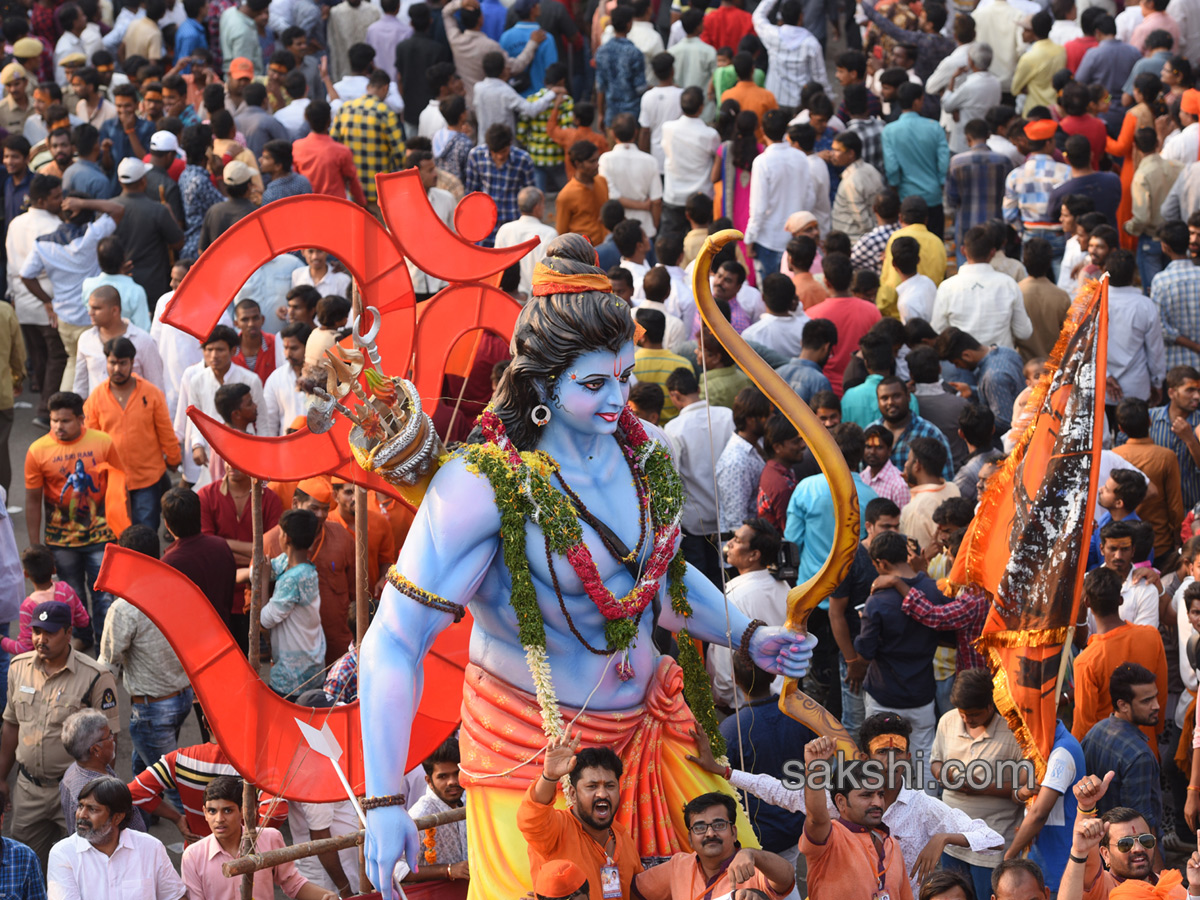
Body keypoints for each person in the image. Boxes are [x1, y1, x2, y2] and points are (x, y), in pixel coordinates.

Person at [360, 237, 818, 897]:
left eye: (626, 378)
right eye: (596, 383)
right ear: (543, 383)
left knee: (746, 885)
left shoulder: (644, 454)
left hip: (654, 740)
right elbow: (393, 642)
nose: (617, 401)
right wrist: (381, 804)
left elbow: (657, 576)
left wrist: (749, 634)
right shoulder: (482, 486)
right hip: (533, 763)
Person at [1, 600, 120, 866]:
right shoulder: (18, 667)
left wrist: (101, 795)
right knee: (24, 864)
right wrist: (1, 778)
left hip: (78, 792)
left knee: (87, 864)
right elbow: (10, 724)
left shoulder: (95, 677)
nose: (41, 639)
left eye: (50, 632)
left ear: (68, 634)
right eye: (36, 631)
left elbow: (110, 742)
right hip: (28, 789)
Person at [24, 391, 125, 648]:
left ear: (82, 418)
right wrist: (36, 544)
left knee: (103, 595)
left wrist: (123, 531)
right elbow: (33, 500)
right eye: (54, 420)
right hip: (60, 542)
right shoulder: (37, 451)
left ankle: (106, 644)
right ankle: (82, 638)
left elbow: (117, 487)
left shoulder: (102, 442)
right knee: (72, 597)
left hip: (101, 536)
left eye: (65, 421)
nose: (58, 426)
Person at [518, 739, 644, 898]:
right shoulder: (556, 829)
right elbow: (531, 820)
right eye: (592, 786)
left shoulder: (623, 838)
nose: (602, 794)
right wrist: (549, 777)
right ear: (572, 794)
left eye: (610, 786)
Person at [182, 775, 336, 900]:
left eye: (227, 811)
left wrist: (325, 896)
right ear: (204, 812)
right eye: (212, 811)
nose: (219, 819)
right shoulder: (193, 856)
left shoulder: (270, 838)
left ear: (243, 810)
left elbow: (292, 883)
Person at [799, 735, 914, 900]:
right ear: (841, 801)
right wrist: (814, 767)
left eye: (880, 794)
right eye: (866, 795)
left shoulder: (891, 843)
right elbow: (816, 818)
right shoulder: (830, 838)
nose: (878, 802)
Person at [82, 336, 179, 532]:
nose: (117, 369)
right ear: (106, 362)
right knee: (119, 534)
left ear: (132, 363)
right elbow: (91, 442)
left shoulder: (151, 394)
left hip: (148, 478)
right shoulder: (96, 398)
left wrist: (174, 457)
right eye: (112, 363)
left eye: (122, 363)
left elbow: (165, 431)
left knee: (146, 531)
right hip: (113, 481)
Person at [631, 790, 796, 898]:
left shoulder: (753, 866)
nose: (710, 833)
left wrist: (753, 854)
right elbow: (634, 891)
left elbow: (787, 877)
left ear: (733, 832)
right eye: (700, 827)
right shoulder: (678, 866)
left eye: (719, 825)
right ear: (690, 838)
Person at [47, 777, 184, 900]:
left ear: (117, 817)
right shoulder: (63, 853)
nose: (82, 815)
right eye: (80, 806)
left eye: (92, 809)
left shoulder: (150, 847)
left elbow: (175, 896)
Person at [1080, 662, 1164, 834]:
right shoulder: (1139, 756)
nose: (1156, 705)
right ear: (1123, 705)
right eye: (1147, 701)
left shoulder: (1096, 731)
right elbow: (1141, 825)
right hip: (1128, 849)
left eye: (1155, 697)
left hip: (1099, 843)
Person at [931, 226, 1033, 351]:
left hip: (961, 360)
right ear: (992, 253)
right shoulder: (1008, 284)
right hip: (1000, 361)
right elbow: (1024, 332)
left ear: (963, 251)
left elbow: (938, 330)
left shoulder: (947, 287)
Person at [744, 109, 813, 279]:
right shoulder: (801, 158)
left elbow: (758, 208)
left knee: (771, 293)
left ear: (762, 130)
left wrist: (749, 239)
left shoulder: (762, 162)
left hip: (769, 239)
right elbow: (810, 198)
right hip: (794, 237)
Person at [161, 486, 238, 633]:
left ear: (167, 524)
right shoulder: (220, 546)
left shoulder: (168, 564)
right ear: (199, 516)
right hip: (224, 633)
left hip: (191, 644)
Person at [1115, 398, 1184, 561]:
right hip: (1160, 543)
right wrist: (1177, 539)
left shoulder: (1115, 456)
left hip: (1124, 546)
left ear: (1120, 429)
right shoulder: (1166, 456)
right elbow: (1175, 506)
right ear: (1149, 422)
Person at [58, 709, 147, 832]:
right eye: (109, 736)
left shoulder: (73, 771)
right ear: (95, 750)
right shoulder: (104, 793)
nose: (113, 739)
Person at [881, 84, 950, 240]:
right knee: (934, 243)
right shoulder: (935, 128)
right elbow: (944, 162)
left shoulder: (889, 131)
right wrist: (939, 182)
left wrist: (895, 186)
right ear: (916, 101)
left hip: (906, 199)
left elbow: (892, 168)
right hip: (932, 197)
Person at [806, 253, 882, 394]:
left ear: (826, 282)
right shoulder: (872, 311)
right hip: (864, 389)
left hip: (827, 391)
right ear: (852, 280)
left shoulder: (811, 315)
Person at [404, 739, 468, 891]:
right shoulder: (420, 815)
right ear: (429, 781)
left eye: (456, 773)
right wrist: (448, 870)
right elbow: (397, 869)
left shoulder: (471, 800)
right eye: (443, 776)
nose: (452, 781)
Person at [936, 328, 1026, 436]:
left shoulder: (992, 377)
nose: (957, 367)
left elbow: (1004, 423)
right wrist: (973, 391)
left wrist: (972, 426)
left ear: (967, 355)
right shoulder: (1007, 351)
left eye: (956, 362)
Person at [660, 87, 719, 240]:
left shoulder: (668, 128)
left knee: (670, 243)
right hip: (701, 197)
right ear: (701, 108)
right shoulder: (710, 135)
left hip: (674, 195)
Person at [877, 197, 947, 320]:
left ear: (900, 218)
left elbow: (892, 283)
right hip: (931, 311)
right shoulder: (937, 242)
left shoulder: (897, 238)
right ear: (926, 220)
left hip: (899, 314)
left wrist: (880, 307)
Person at [871, 377, 955, 479]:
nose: (890, 402)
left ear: (908, 396)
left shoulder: (929, 433)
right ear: (878, 401)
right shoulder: (871, 432)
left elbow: (946, 479)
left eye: (896, 396)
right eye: (884, 398)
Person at [898, 438, 961, 551]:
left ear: (917, 465)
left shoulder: (914, 510)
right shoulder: (952, 488)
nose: (905, 465)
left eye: (908, 460)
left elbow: (915, 558)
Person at [594, 5, 645, 127]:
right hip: (632, 115)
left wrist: (601, 113)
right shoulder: (634, 52)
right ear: (629, 24)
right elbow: (640, 88)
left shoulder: (602, 51)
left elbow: (600, 87)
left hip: (611, 113)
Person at [555, 141, 608, 245]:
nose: (597, 164)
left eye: (597, 159)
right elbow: (561, 233)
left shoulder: (602, 182)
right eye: (592, 161)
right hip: (584, 253)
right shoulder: (566, 195)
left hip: (607, 247)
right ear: (577, 164)